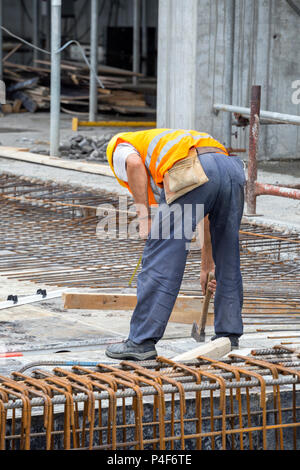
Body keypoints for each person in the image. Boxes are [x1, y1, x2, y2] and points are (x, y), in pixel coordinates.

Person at [104, 128, 246, 360]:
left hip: (191, 168)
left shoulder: (118, 145)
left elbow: (134, 164)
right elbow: (207, 216)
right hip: (231, 169)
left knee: (162, 259)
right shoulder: (169, 142)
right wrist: (207, 266)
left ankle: (141, 341)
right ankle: (228, 336)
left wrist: (144, 219)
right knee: (228, 255)